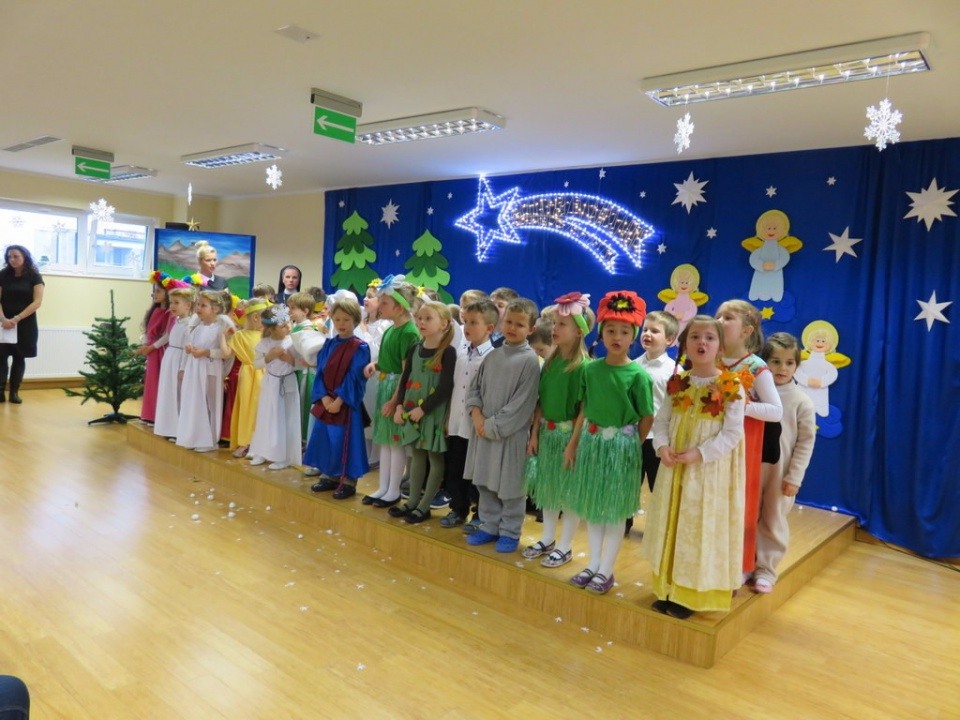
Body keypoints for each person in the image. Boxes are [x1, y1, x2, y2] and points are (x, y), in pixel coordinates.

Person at [644, 315, 746, 618]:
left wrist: (700, 454)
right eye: (695, 337)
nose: (702, 342)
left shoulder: (731, 386)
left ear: (720, 347)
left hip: (706, 473)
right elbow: (661, 421)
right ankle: (667, 588)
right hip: (674, 467)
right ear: (685, 344)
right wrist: (662, 446)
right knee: (672, 523)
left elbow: (732, 434)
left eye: (710, 338)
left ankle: (690, 596)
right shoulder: (678, 383)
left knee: (697, 527)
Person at [564, 291, 653, 593]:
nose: (617, 337)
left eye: (624, 332)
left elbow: (647, 417)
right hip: (592, 445)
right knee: (593, 507)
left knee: (613, 511)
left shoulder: (638, 375)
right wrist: (573, 444)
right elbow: (585, 408)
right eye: (611, 330)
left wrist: (629, 446)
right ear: (601, 334)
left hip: (620, 449)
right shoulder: (590, 369)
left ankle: (606, 570)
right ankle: (593, 564)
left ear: (633, 337)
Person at [522, 292, 594, 568]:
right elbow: (540, 401)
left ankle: (565, 545)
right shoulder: (551, 363)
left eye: (562, 325)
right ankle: (548, 537)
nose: (554, 329)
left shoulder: (583, 367)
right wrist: (534, 434)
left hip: (568, 438)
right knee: (549, 489)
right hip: (547, 434)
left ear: (579, 331)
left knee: (568, 493)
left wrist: (573, 444)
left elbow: (584, 410)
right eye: (554, 324)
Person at [464, 297, 541, 553]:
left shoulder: (529, 361)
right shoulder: (493, 355)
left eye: (520, 324)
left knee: (510, 487)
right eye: (509, 321)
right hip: (483, 432)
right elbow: (474, 390)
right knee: (485, 483)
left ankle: (510, 531)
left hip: (509, 437)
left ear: (531, 329)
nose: (512, 328)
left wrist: (491, 426)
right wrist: (477, 416)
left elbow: (522, 404)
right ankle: (489, 526)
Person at [715, 299, 783, 579]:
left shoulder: (756, 367)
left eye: (727, 318)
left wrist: (742, 406)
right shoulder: (710, 359)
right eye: (718, 316)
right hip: (711, 445)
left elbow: (776, 411)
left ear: (746, 330)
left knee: (740, 506)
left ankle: (738, 567)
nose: (719, 322)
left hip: (743, 448)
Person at [754, 332, 817, 593]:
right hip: (750, 468)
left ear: (796, 366)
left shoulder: (801, 401)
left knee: (773, 518)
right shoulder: (754, 392)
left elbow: (805, 442)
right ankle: (744, 562)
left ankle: (766, 569)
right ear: (764, 362)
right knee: (746, 515)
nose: (782, 368)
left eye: (789, 363)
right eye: (776, 361)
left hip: (779, 474)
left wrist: (794, 477)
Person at [387, 301, 457, 522]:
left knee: (434, 457)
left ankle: (425, 506)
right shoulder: (415, 348)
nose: (421, 322)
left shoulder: (448, 352)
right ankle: (412, 501)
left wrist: (424, 409)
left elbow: (445, 387)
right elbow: (405, 379)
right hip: (411, 410)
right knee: (416, 454)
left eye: (428, 318)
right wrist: (399, 405)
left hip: (432, 413)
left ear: (444, 324)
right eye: (419, 318)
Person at [302, 296, 371, 497]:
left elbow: (354, 378)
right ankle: (331, 475)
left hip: (345, 404)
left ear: (355, 320)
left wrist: (339, 401)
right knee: (326, 438)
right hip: (327, 402)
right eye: (338, 319)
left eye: (346, 320)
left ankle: (348, 481)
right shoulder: (329, 345)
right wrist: (324, 398)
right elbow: (320, 373)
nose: (341, 323)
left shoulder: (360, 347)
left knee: (345, 440)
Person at [362, 276, 421, 508]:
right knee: (385, 441)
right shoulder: (390, 329)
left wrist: (396, 401)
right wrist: (376, 365)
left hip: (396, 391)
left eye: (385, 303)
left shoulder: (408, 332)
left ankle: (394, 489)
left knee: (395, 442)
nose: (380, 306)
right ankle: (383, 487)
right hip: (386, 385)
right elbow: (390, 359)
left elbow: (407, 371)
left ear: (399, 306)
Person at [440, 299, 496, 532]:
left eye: (474, 323)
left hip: (476, 426)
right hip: (456, 423)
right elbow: (453, 388)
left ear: (489, 328)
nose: (467, 327)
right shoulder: (461, 353)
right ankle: (458, 508)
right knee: (455, 469)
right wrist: (447, 418)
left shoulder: (492, 357)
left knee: (476, 474)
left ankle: (480, 513)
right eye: (466, 322)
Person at [626, 310, 680, 535]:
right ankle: (622, 525)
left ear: (670, 339)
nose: (647, 334)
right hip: (632, 435)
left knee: (658, 486)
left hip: (657, 439)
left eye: (655, 331)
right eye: (645, 329)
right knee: (629, 484)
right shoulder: (632, 365)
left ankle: (659, 531)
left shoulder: (674, 372)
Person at [176, 290, 233, 452]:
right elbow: (191, 345)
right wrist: (189, 350)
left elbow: (227, 353)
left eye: (203, 305)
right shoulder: (198, 326)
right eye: (198, 305)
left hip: (211, 368)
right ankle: (195, 436)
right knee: (196, 400)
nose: (198, 308)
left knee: (211, 403)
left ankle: (211, 440)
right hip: (195, 368)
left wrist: (207, 352)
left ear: (215, 309)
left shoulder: (222, 327)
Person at [246, 305, 301, 470]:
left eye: (288, 322)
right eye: (283, 325)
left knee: (285, 418)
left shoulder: (293, 341)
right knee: (266, 417)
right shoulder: (265, 343)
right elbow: (256, 364)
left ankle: (284, 456)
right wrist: (269, 357)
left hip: (287, 383)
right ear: (271, 329)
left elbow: (304, 364)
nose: (288, 327)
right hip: (270, 383)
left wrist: (289, 360)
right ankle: (263, 451)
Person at [0, 245, 44, 404]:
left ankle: (14, 392)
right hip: (3, 323)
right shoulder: (2, 275)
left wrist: (17, 318)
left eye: (16, 256)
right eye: (9, 256)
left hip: (25, 324)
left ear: (25, 256)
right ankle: (0, 392)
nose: (12, 259)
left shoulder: (34, 276)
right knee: (1, 357)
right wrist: (3, 319)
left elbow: (37, 302)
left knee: (19, 357)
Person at [152, 286, 196, 438]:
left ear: (188, 305)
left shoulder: (189, 325)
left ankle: (177, 430)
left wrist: (183, 368)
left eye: (176, 302)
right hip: (170, 358)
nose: (172, 306)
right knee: (167, 392)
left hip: (178, 360)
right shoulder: (177, 321)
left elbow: (186, 348)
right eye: (171, 302)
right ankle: (167, 427)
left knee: (177, 393)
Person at [227, 298, 267, 458]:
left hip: (264, 375)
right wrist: (223, 337)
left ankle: (258, 443)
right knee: (246, 407)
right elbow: (227, 354)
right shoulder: (240, 335)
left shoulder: (266, 335)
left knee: (260, 408)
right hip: (248, 377)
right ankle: (244, 442)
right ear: (256, 317)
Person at [136, 274, 173, 423]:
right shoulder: (154, 310)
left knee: (159, 382)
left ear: (167, 293)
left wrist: (152, 347)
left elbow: (167, 335)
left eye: (158, 291)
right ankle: (149, 414)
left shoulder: (169, 313)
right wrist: (146, 344)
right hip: (152, 351)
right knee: (151, 383)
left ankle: (159, 416)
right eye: (154, 291)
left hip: (160, 351)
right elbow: (148, 331)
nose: (154, 294)